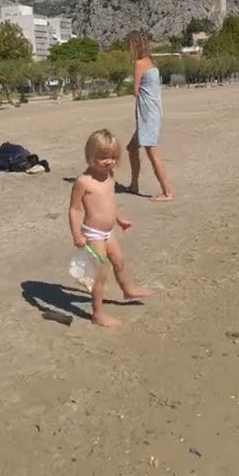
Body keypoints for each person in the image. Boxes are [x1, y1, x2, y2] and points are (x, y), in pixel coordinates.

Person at [69, 129, 153, 327]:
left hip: (109, 232)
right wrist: (76, 234)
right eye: (103, 157)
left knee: (119, 261)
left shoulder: (109, 176)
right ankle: (97, 314)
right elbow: (73, 209)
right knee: (101, 273)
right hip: (93, 234)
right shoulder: (83, 182)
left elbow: (109, 202)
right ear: (90, 156)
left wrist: (120, 218)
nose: (109, 162)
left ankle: (127, 289)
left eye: (113, 157)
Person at [124, 31, 174, 201]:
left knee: (152, 153)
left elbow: (135, 91)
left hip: (147, 115)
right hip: (153, 112)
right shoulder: (152, 62)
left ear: (135, 45)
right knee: (132, 148)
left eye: (130, 44)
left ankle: (167, 192)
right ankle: (134, 184)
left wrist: (137, 117)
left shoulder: (139, 63)